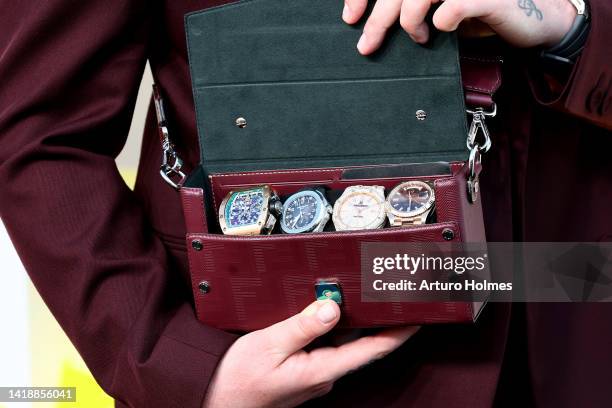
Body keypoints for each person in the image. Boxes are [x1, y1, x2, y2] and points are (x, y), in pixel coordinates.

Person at [1, 0, 611, 407]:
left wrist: (573, 25)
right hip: (295, 363)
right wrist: (182, 368)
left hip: (582, 308)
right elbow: (37, 128)